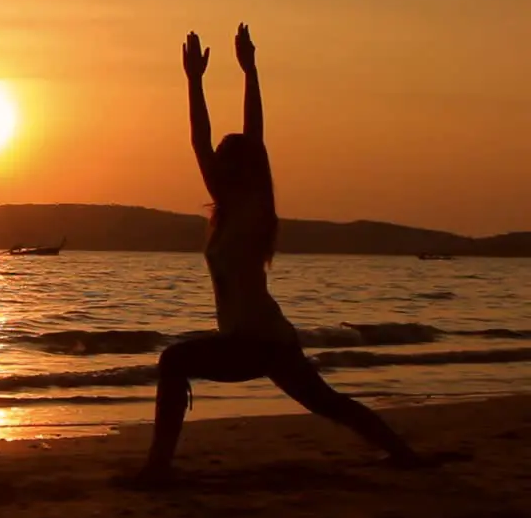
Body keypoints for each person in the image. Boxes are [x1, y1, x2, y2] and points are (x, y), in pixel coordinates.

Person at [129, 24, 423, 485]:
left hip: (261, 341)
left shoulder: (254, 209)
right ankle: (403, 454)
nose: (216, 166)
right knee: (327, 402)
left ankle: (158, 468)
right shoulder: (226, 214)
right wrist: (193, 81)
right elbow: (199, 142)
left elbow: (255, 137)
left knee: (175, 361)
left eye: (228, 161)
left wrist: (250, 71)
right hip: (262, 341)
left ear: (242, 171)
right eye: (220, 162)